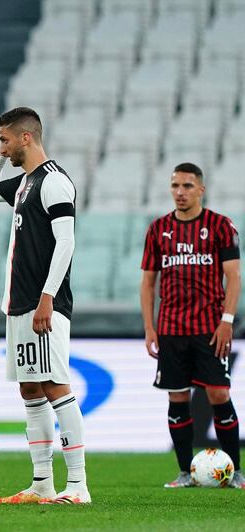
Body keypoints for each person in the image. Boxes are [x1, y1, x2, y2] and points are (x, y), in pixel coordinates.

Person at [0, 107, 90, 504]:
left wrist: (47, 297)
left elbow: (67, 242)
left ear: (27, 138)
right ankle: (42, 482)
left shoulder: (54, 182)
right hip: (20, 303)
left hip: (44, 304)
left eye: (5, 140)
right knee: (30, 388)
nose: (1, 148)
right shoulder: (25, 183)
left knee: (56, 385)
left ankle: (77, 486)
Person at [140, 162, 243, 489]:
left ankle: (236, 471)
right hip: (171, 329)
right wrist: (149, 327)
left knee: (218, 393)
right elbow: (147, 283)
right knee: (177, 398)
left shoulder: (220, 226)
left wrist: (227, 321)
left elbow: (233, 277)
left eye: (186, 186)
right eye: (175, 186)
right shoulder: (158, 229)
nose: (180, 192)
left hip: (210, 328)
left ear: (201, 189)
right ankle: (185, 473)